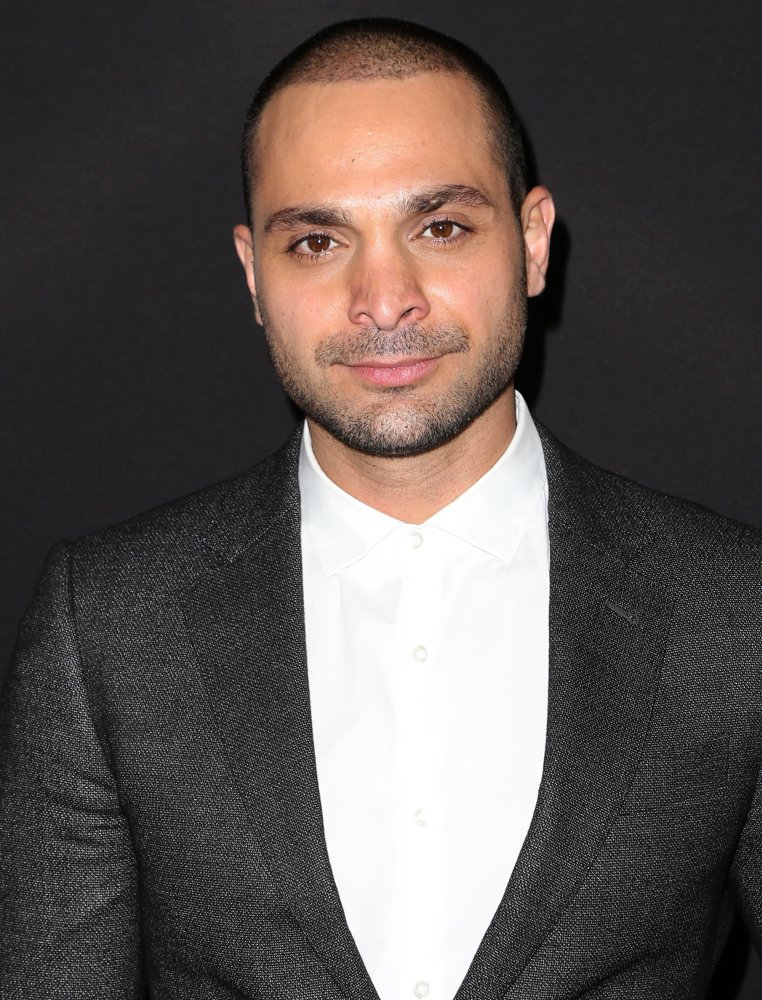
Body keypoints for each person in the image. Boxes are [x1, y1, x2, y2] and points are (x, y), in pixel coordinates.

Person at [1, 16, 760, 1000]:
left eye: (439, 227)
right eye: (317, 241)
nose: (384, 298)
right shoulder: (103, 624)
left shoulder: (736, 612)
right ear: (253, 276)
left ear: (532, 243)